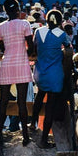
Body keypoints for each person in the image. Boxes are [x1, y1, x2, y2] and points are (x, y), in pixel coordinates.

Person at [0, 0, 34, 146]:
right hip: (22, 64)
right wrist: (27, 53)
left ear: (5, 11)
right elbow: (30, 47)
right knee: (21, 102)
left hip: (6, 64)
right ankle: (25, 135)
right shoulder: (25, 24)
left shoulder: (1, 27)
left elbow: (2, 48)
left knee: (3, 101)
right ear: (18, 9)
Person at [31, 9, 72, 148]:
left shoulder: (38, 31)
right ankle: (43, 140)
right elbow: (68, 47)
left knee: (39, 95)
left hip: (40, 73)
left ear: (46, 20)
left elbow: (35, 47)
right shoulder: (62, 35)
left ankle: (32, 124)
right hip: (54, 75)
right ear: (60, 22)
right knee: (50, 107)